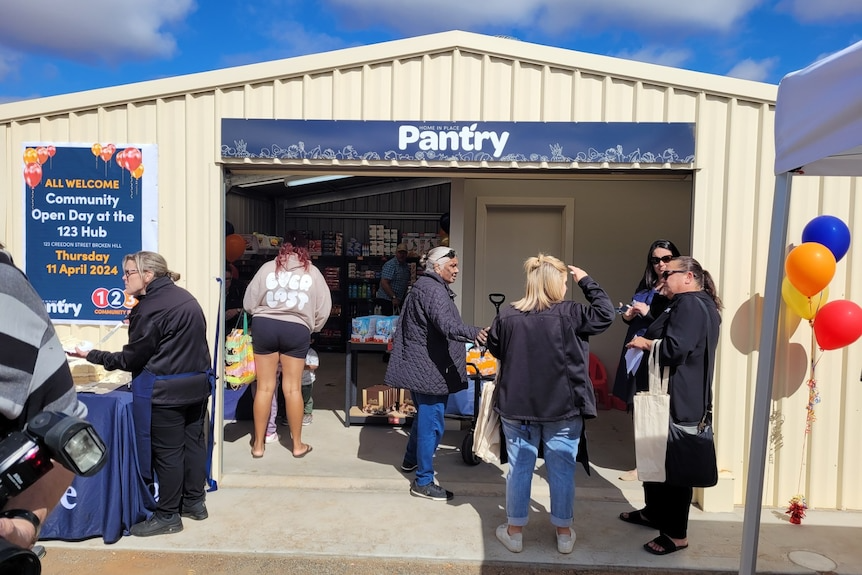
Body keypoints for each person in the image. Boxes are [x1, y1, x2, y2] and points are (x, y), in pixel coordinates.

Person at [69, 251, 212, 537]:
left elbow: (132, 358)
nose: (123, 277)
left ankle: (168, 514)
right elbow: (170, 340)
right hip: (196, 386)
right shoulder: (183, 297)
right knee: (193, 445)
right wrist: (138, 320)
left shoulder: (152, 308)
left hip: (167, 391)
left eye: (128, 272)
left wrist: (92, 355)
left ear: (148, 275)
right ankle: (194, 502)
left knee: (168, 453)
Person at [486, 254, 614, 554]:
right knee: (561, 469)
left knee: (519, 468)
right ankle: (564, 532)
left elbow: (495, 348)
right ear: (556, 283)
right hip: (563, 407)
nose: (568, 287)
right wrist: (587, 280)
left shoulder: (507, 315)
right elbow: (606, 314)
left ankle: (515, 532)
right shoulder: (571, 313)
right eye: (566, 282)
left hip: (517, 406)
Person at [620, 256, 722, 555]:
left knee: (675, 467)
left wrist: (644, 344)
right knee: (657, 454)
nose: (661, 278)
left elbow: (676, 348)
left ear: (688, 277)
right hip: (678, 395)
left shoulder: (691, 304)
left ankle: (676, 534)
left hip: (678, 398)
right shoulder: (693, 303)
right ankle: (654, 512)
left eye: (668, 273)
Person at [0, 243, 88, 553]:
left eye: (129, 273)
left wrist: (24, 521)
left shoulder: (6, 289)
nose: (124, 279)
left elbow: (67, 434)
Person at [384, 246, 488, 501]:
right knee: (432, 425)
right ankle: (423, 482)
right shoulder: (433, 291)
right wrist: (474, 332)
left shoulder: (424, 287)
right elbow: (447, 325)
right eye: (452, 265)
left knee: (424, 418)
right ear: (437, 267)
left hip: (422, 367)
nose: (457, 270)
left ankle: (410, 461)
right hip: (429, 369)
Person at [243, 230, 331, 459]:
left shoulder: (266, 268)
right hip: (296, 327)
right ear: (305, 248)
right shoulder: (313, 272)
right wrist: (313, 327)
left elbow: (249, 302)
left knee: (264, 387)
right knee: (292, 388)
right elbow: (324, 307)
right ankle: (297, 445)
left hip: (265, 325)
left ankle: (258, 445)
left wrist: (264, 313)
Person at [613, 239, 680, 481]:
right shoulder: (647, 285)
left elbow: (669, 321)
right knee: (638, 404)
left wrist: (647, 312)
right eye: (655, 260)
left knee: (655, 405)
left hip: (656, 352)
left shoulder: (675, 286)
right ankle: (642, 459)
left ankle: (649, 463)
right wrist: (628, 315)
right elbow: (636, 317)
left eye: (666, 258)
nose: (661, 264)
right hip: (635, 352)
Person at [375, 243, 411, 315]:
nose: (402, 255)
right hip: (387, 300)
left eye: (404, 253)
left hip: (398, 300)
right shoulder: (391, 265)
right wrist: (393, 297)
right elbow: (384, 282)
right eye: (400, 252)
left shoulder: (405, 266)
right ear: (396, 253)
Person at [301, 343, 319, 425]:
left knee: (306, 398)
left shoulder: (311, 353)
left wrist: (303, 366)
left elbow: (315, 365)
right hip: (294, 380)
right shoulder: (294, 351)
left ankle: (307, 413)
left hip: (307, 381)